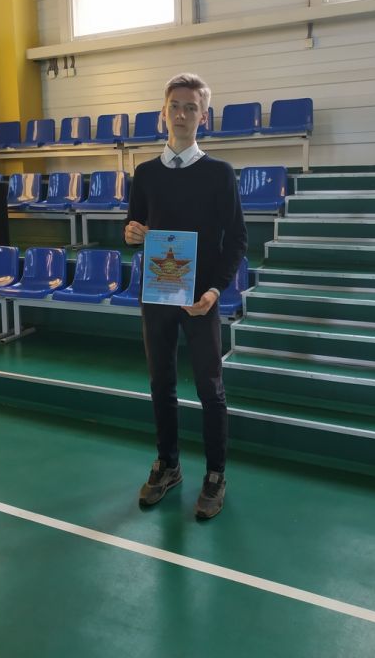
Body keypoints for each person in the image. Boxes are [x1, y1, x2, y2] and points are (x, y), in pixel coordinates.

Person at [124, 73, 247, 519]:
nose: (181, 114)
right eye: (174, 106)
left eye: (191, 107)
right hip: (157, 295)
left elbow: (237, 240)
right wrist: (131, 234)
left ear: (203, 117)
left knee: (210, 388)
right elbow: (134, 228)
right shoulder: (145, 173)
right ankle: (168, 464)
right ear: (163, 113)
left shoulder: (219, 174)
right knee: (161, 384)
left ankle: (215, 474)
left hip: (201, 299)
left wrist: (215, 290)